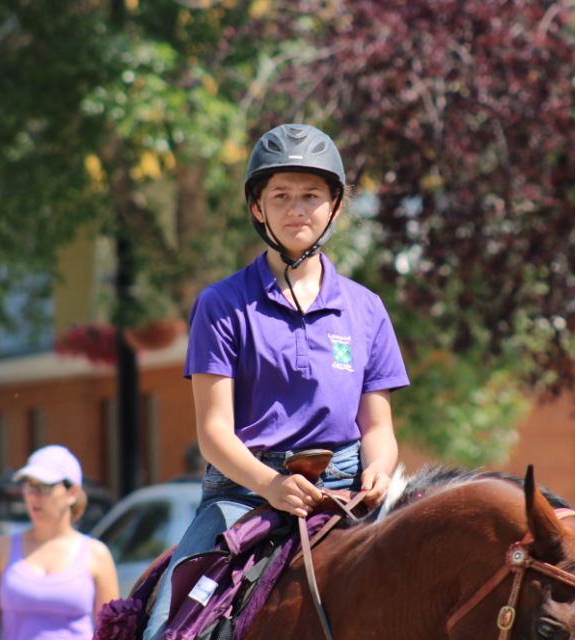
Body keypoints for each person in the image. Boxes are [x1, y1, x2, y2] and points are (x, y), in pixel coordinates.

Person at [143, 123, 410, 640]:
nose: (296, 209)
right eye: (281, 195)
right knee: (164, 628)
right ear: (257, 209)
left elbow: (378, 426)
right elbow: (214, 432)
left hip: (348, 493)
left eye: (311, 195)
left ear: (335, 206)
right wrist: (271, 485)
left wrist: (380, 468)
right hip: (244, 493)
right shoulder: (220, 305)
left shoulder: (367, 309)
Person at [0, 445, 119, 640]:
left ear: (72, 493)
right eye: (28, 485)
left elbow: (112, 633)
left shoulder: (97, 554)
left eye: (45, 486)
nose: (34, 495)